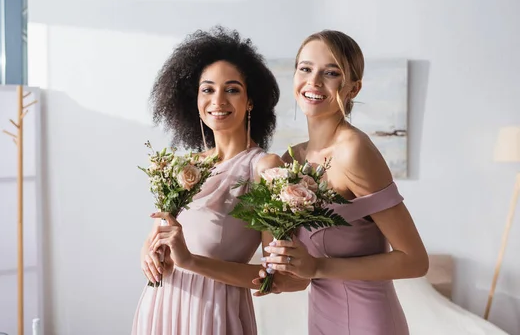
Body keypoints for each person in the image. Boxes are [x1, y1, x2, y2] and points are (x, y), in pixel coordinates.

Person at [132, 26, 302, 335]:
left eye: (232, 89)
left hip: (212, 314)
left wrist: (190, 262)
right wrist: (149, 250)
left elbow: (278, 279)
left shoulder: (265, 168)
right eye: (207, 89)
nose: (218, 100)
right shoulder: (182, 166)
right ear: (194, 98)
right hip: (160, 304)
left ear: (251, 100)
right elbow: (160, 233)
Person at [259, 30, 429, 335]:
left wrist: (318, 268)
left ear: (353, 88)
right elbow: (292, 276)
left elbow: (415, 261)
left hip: (369, 321)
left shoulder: (354, 151)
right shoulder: (291, 160)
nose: (313, 82)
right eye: (306, 69)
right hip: (321, 318)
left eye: (331, 72)